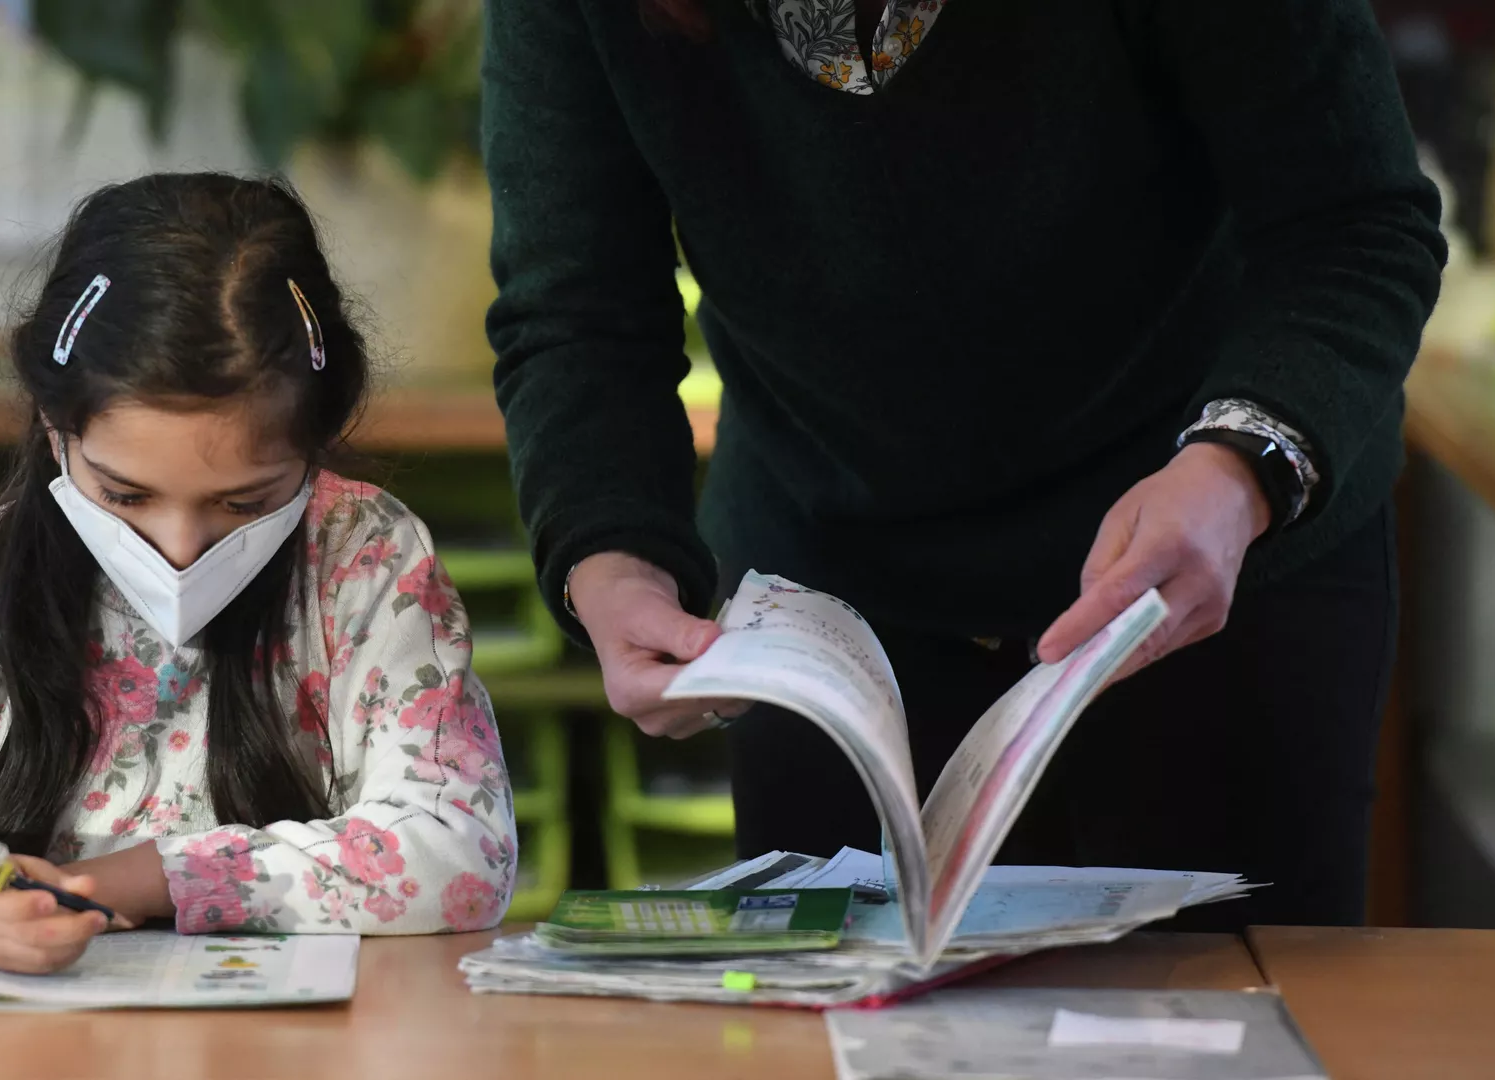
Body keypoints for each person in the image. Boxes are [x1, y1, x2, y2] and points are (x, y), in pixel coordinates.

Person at [483, 0, 1445, 929]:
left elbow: (1354, 224)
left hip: (1200, 579)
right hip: (832, 620)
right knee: (846, 1018)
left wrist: (1238, 471)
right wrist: (612, 557)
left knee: (1229, 1009)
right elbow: (577, 309)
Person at [0, 174, 515, 972]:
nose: (179, 547)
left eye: (244, 502)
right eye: (124, 495)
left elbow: (460, 847)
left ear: (315, 442)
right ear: (54, 427)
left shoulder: (364, 560)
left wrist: (143, 879)